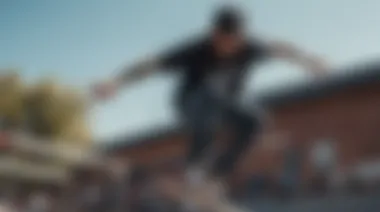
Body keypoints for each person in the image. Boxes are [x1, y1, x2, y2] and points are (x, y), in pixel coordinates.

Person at [92, 5, 329, 201]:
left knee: (255, 121)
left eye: (232, 42)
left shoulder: (251, 48)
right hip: (190, 102)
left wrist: (309, 61)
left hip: (225, 104)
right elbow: (151, 64)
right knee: (210, 96)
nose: (226, 47)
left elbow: (281, 49)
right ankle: (194, 171)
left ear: (241, 37)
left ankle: (215, 178)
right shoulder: (195, 49)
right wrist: (116, 81)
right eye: (221, 40)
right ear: (213, 33)